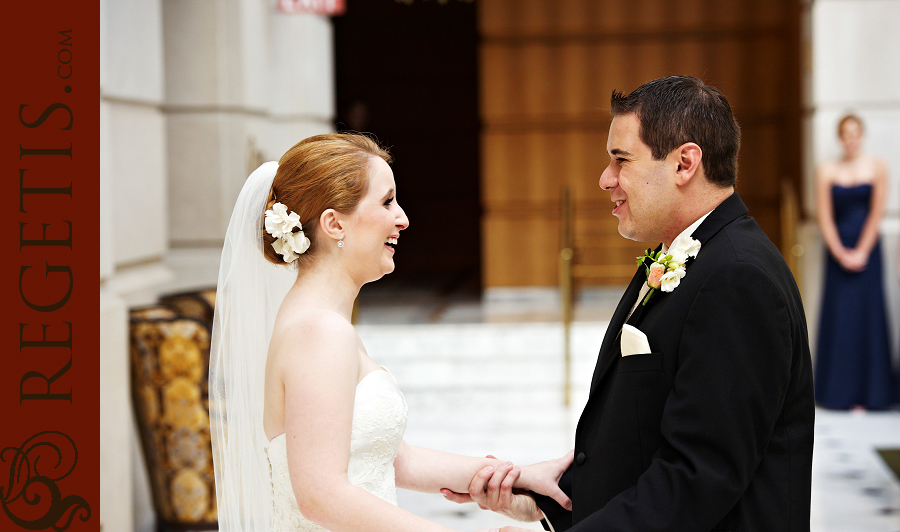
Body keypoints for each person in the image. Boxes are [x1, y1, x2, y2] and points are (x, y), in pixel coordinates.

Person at [446, 76, 816, 531]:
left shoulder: (738, 279)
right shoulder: (681, 255)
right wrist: (547, 502)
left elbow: (698, 478)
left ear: (685, 163)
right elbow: (640, 445)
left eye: (621, 159)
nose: (606, 179)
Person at [208, 133, 572, 532]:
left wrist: (518, 477)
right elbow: (321, 495)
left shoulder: (322, 322)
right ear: (334, 224)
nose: (403, 218)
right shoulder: (319, 331)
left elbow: (397, 460)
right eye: (386, 202)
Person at [813, 114, 894, 410]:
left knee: (868, 318)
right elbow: (824, 215)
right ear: (839, 137)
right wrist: (840, 252)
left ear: (862, 135)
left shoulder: (878, 167)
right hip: (837, 253)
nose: (851, 138)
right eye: (845, 133)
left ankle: (871, 394)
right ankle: (838, 393)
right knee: (841, 320)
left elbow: (876, 212)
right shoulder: (825, 169)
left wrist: (861, 251)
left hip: (868, 252)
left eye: (855, 133)